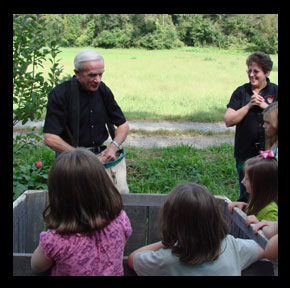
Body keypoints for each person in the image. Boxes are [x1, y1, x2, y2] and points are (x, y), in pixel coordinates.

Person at [31, 148, 132, 276]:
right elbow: (121, 244)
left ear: (58, 195)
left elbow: (36, 266)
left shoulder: (55, 240)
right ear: (102, 184)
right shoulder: (120, 220)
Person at [128, 182, 264, 276]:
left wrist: (166, 243)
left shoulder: (166, 261)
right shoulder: (231, 245)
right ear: (215, 218)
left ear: (171, 222)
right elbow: (263, 248)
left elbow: (133, 258)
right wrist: (259, 226)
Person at [43, 49, 129, 163]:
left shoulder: (102, 90)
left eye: (100, 74)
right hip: (69, 159)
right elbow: (50, 138)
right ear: (77, 73)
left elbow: (123, 125)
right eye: (92, 75)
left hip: (100, 157)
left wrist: (113, 147)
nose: (98, 80)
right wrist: (81, 157)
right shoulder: (60, 94)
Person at [224, 52, 278, 202]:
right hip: (244, 153)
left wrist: (265, 106)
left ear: (267, 72)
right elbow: (228, 120)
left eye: (256, 71)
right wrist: (248, 105)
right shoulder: (241, 92)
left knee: (269, 194)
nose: (251, 75)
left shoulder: (275, 91)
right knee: (246, 194)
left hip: (270, 155)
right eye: (249, 70)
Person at [228, 151, 278, 222]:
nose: (242, 182)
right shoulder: (258, 199)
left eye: (247, 179)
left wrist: (257, 225)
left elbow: (272, 232)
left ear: (260, 184)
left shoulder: (271, 212)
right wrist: (245, 207)